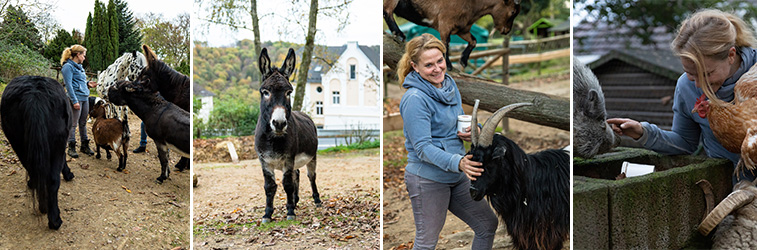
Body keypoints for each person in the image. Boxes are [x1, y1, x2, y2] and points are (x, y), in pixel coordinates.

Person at [607, 9, 757, 184]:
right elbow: (685, 142)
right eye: (691, 73)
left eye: (707, 74)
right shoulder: (686, 86)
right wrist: (642, 132)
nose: (698, 85)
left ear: (731, 55)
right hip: (727, 188)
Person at [398, 33, 498, 249]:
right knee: (427, 243)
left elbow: (458, 122)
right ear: (415, 67)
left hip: (456, 174)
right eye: (429, 65)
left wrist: (475, 130)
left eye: (440, 61)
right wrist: (459, 162)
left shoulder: (449, 87)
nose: (437, 69)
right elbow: (423, 148)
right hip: (428, 180)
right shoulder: (415, 99)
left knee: (487, 224)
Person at [61, 44, 97, 158]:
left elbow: (78, 82)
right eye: (84, 55)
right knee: (73, 124)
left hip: (85, 97)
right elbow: (69, 85)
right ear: (78, 54)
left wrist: (87, 84)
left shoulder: (79, 67)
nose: (84, 58)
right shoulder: (68, 67)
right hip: (76, 98)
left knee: (83, 123)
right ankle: (71, 146)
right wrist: (74, 101)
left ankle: (84, 145)